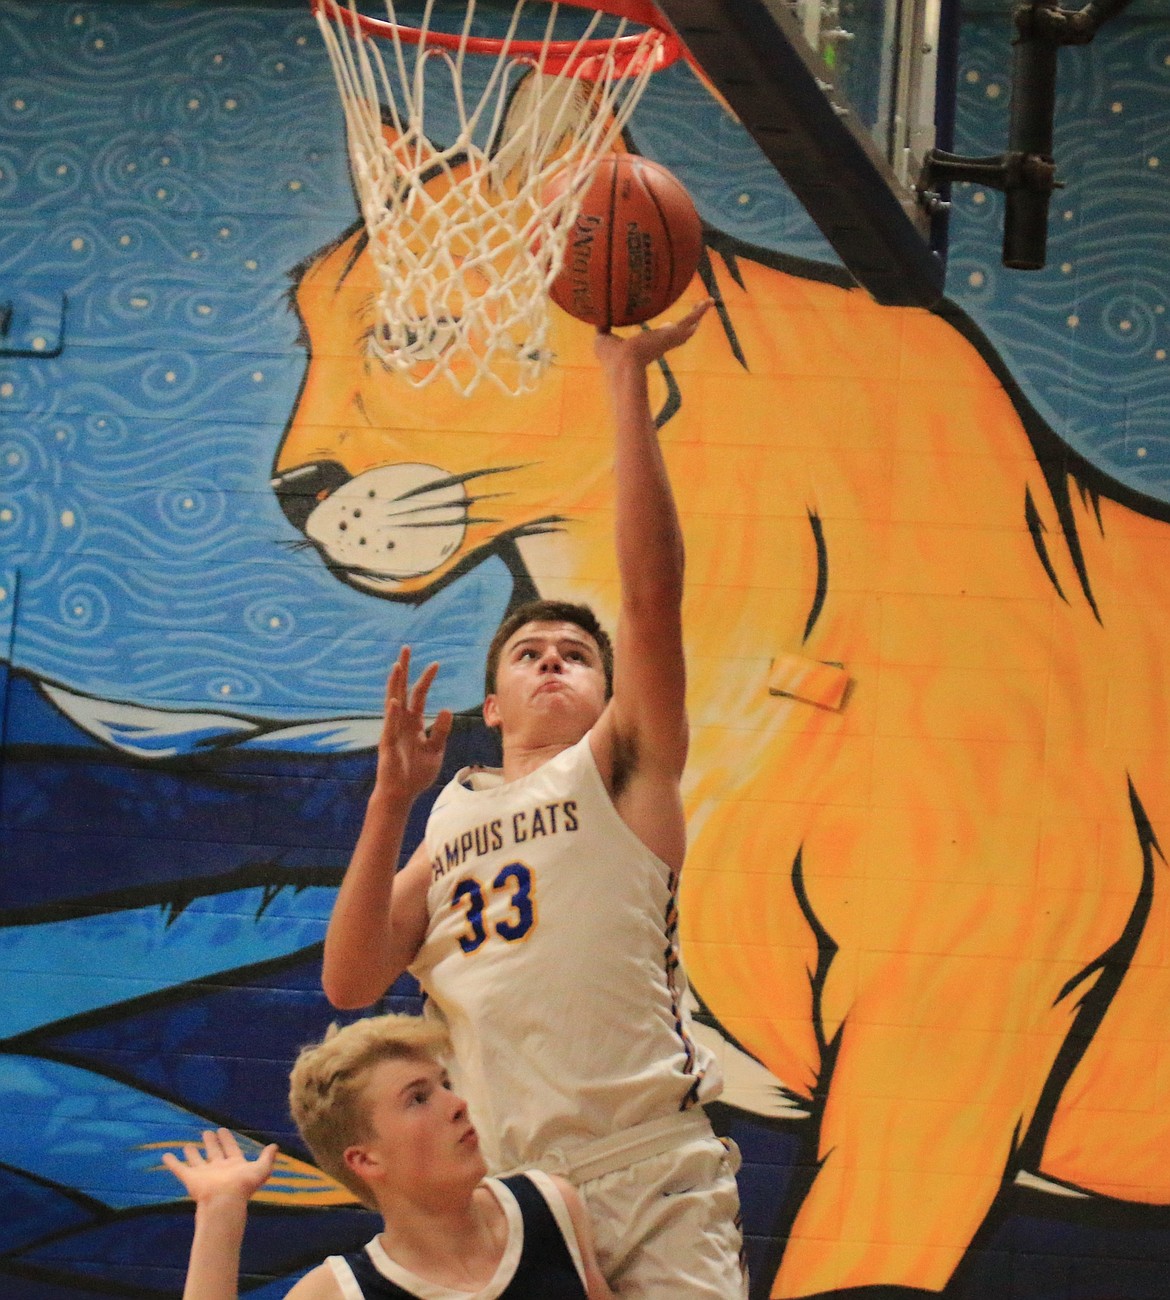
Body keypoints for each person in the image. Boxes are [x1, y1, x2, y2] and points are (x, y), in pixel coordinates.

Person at [321, 300, 747, 1297]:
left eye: (577, 656)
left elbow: (651, 595)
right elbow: (348, 981)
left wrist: (624, 380)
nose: (553, 662)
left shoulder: (623, 768)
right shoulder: (452, 813)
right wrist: (390, 800)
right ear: (492, 698)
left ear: (609, 692)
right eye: (530, 652)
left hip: (649, 1168)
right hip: (507, 1195)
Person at [162, 1013, 612, 1300]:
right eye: (418, 1099)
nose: (456, 1105)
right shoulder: (339, 1293)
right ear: (366, 1160)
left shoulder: (551, 1207)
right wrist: (221, 1212)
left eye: (445, 1085)